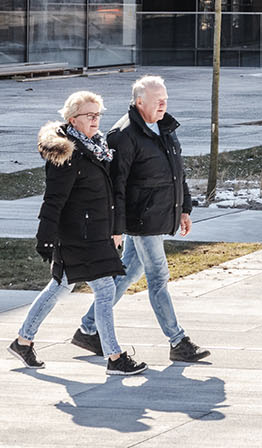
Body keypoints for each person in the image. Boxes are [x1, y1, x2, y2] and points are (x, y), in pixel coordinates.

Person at [74, 75, 209, 365]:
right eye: (157, 100)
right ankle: (178, 341)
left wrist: (185, 208)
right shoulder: (123, 135)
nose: (163, 104)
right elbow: (117, 186)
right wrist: (117, 227)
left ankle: (87, 328)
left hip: (160, 215)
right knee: (158, 277)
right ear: (139, 102)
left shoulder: (166, 128)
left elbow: (177, 173)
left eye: (165, 99)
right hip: (141, 220)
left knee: (129, 273)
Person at [9, 91, 145, 375]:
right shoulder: (67, 154)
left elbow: (106, 195)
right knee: (105, 291)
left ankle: (23, 340)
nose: (96, 120)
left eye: (98, 115)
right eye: (89, 115)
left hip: (94, 233)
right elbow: (54, 199)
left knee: (59, 287)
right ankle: (115, 357)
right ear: (73, 119)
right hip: (78, 236)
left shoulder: (96, 147)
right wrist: (45, 237)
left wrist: (114, 229)